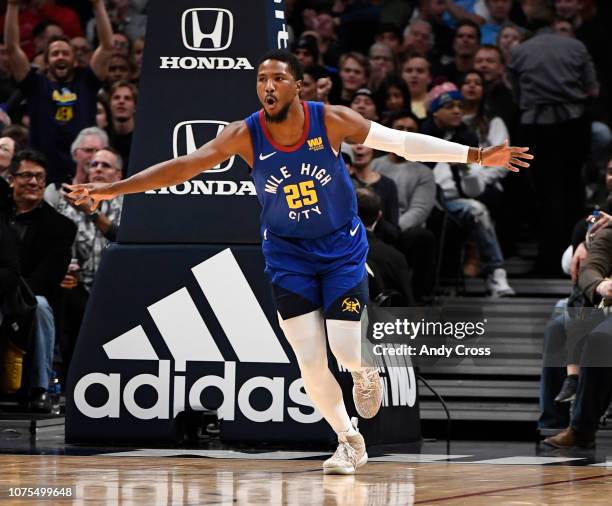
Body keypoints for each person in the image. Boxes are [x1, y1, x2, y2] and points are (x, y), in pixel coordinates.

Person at [67, 50, 531, 474]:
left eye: (278, 78)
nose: (268, 86)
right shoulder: (244, 134)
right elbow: (184, 167)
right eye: (261, 79)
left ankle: (365, 371)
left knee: (346, 348)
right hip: (287, 254)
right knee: (308, 360)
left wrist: (476, 154)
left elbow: (402, 144)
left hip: (341, 249)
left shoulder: (329, 120)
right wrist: (115, 188)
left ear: (298, 86)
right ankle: (348, 439)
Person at [507, 10, 598, 275]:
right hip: (572, 123)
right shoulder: (575, 46)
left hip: (536, 126)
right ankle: (576, 256)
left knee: (545, 193)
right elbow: (592, 88)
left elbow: (516, 93)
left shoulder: (521, 50)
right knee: (572, 188)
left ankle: (546, 259)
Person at [3, 0, 113, 185]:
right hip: (42, 176)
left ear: (75, 60)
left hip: (83, 177)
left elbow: (107, 46)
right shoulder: (35, 84)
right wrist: (13, 6)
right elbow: (12, 49)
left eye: (65, 53)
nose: (60, 57)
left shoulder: (87, 82)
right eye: (55, 54)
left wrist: (98, 5)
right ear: (46, 62)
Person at [422, 82, 515, 296]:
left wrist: (466, 169)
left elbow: (474, 191)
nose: (457, 111)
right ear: (435, 112)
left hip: (453, 201)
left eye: (459, 106)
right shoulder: (422, 134)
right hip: (424, 198)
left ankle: (496, 273)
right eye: (449, 106)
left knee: (478, 209)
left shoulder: (467, 138)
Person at [3, 149, 76, 411]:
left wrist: (9, 293)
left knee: (41, 306)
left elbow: (47, 278)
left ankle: (40, 389)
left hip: (31, 297)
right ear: (11, 179)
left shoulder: (62, 227)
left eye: (39, 177)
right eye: (26, 176)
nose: (33, 182)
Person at [371, 111, 437, 302]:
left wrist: (392, 228)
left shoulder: (424, 172)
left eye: (411, 130)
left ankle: (416, 299)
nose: (405, 133)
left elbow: (419, 211)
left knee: (423, 237)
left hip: (400, 231)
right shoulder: (374, 164)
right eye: (400, 129)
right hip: (371, 227)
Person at [106, 80, 136, 174]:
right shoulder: (102, 138)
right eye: (116, 98)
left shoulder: (144, 139)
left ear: (135, 106)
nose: (121, 101)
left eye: (127, 98)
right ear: (109, 104)